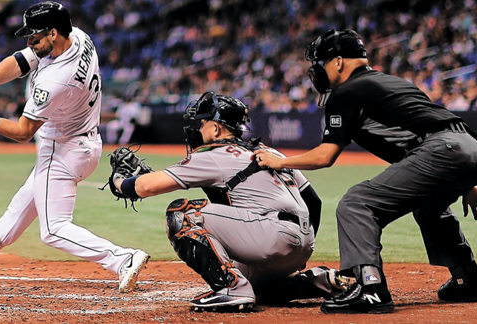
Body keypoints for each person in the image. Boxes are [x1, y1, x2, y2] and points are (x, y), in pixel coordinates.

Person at [255, 29, 477, 314]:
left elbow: (326, 156)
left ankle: (370, 287)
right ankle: (467, 279)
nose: (317, 71)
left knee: (356, 204)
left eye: (320, 63)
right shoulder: (388, 81)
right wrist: (466, 183)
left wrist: (278, 161)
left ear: (338, 62)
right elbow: (422, 132)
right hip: (468, 144)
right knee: (429, 207)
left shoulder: (346, 91)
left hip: (442, 148)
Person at [0, 1, 149, 292]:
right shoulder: (78, 37)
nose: (30, 41)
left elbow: (22, 132)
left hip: (62, 149)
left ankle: (122, 258)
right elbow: (20, 61)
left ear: (53, 33)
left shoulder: (55, 80)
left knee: (54, 230)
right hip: (83, 143)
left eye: (35, 36)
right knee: (15, 213)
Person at [106, 92, 346, 312]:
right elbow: (313, 202)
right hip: (300, 242)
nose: (198, 129)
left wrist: (119, 181)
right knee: (258, 289)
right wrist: (300, 253)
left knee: (182, 214)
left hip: (272, 237)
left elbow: (145, 187)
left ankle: (231, 288)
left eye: (202, 123)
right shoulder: (270, 151)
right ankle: (319, 280)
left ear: (217, 128)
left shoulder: (214, 156)